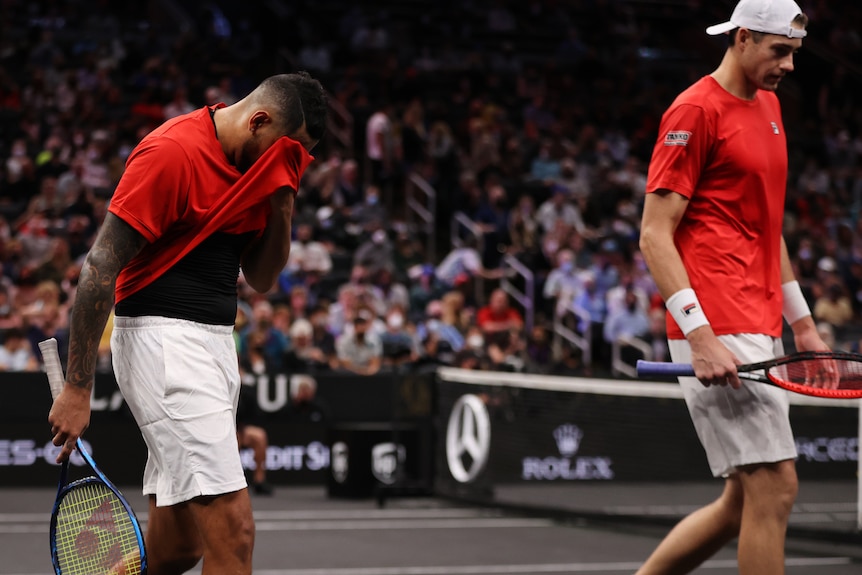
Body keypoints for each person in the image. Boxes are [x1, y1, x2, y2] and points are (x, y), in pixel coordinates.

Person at [47, 72, 327, 575]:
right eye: (290, 151)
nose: (293, 164)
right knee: (234, 532)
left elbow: (261, 278)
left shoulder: (259, 172)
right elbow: (98, 268)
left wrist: (282, 205)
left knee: (177, 547)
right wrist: (77, 387)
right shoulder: (172, 152)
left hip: (216, 346)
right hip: (164, 343)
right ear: (259, 121)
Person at [637, 3, 832, 574]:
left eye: (795, 53)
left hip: (760, 317)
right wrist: (700, 335)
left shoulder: (769, 106)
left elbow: (766, 226)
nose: (789, 65)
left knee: (740, 502)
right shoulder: (694, 110)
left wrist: (802, 323)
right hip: (717, 320)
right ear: (743, 38)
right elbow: (654, 235)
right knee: (775, 487)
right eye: (779, 51)